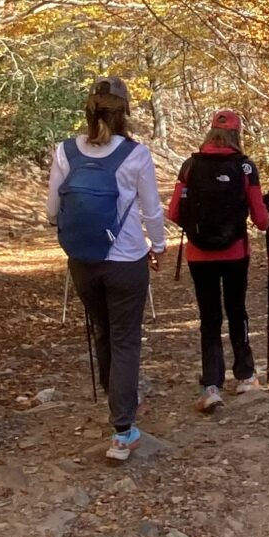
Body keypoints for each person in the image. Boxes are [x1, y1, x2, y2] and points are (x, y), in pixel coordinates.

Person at [48, 76, 166, 462]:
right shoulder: (136, 154)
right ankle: (123, 428)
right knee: (126, 339)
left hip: (84, 261)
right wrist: (160, 246)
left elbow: (52, 212)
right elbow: (151, 209)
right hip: (127, 260)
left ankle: (118, 412)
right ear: (124, 114)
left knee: (104, 332)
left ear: (89, 110)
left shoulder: (66, 151)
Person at [167, 108, 269, 410]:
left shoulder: (190, 166)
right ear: (237, 134)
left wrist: (198, 227)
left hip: (198, 254)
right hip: (235, 252)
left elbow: (174, 212)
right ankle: (245, 376)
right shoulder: (245, 168)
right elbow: (261, 220)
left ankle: (211, 385)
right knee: (237, 310)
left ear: (210, 132)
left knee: (210, 317)